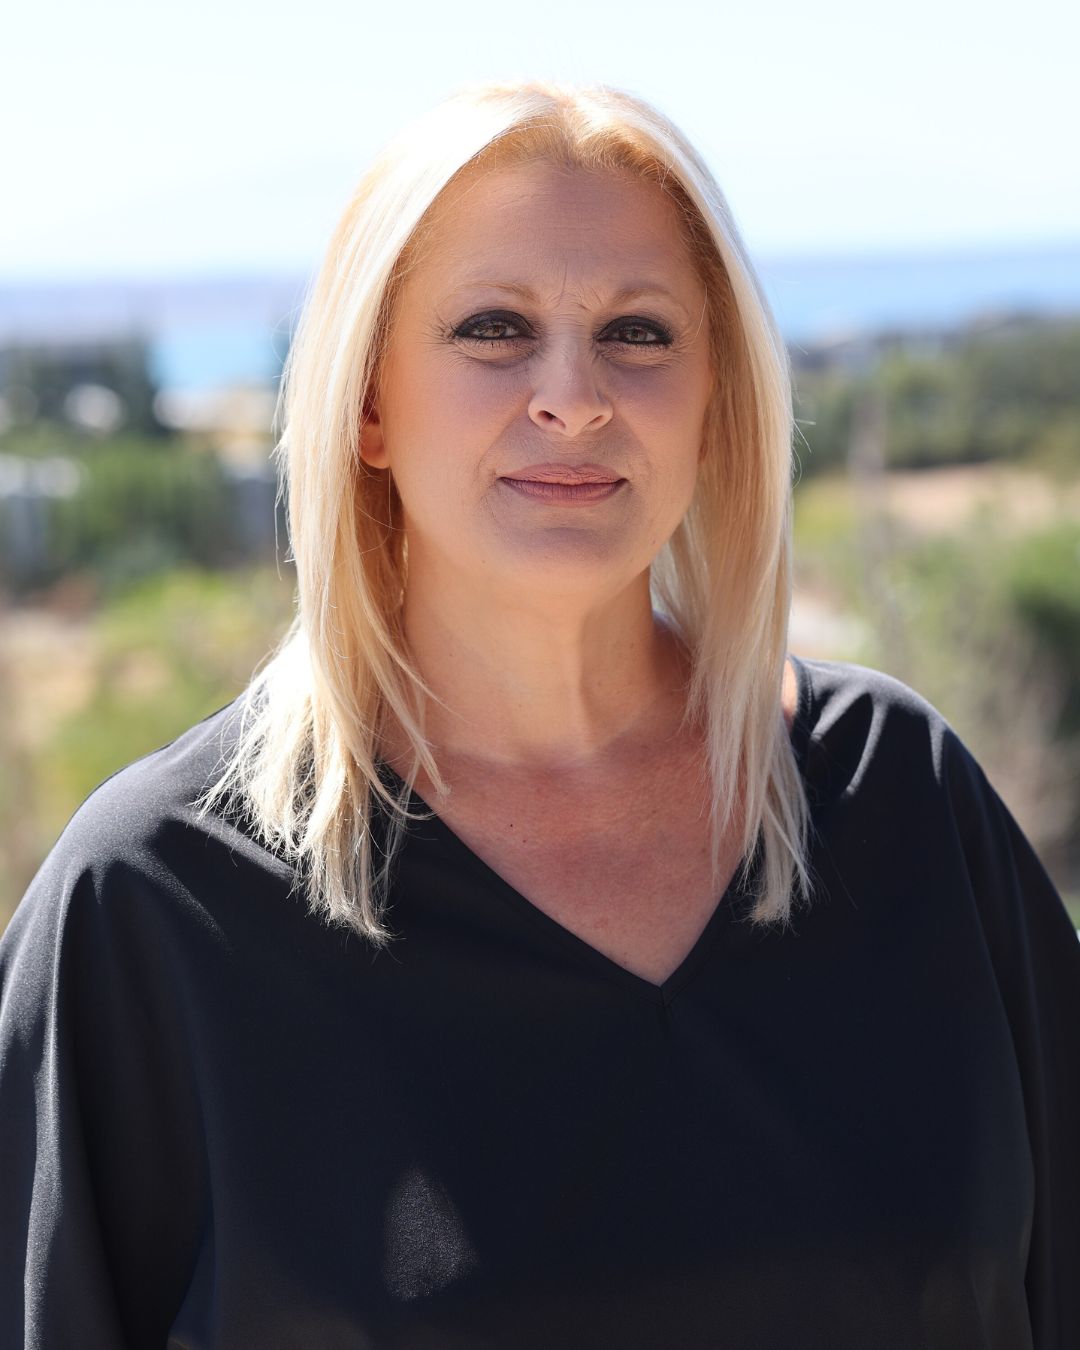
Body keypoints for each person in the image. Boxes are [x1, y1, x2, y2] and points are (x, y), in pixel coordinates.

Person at [1, 80, 1077, 1350]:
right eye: (494, 328)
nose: (574, 395)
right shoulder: (155, 904)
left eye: (639, 332)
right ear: (367, 404)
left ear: (715, 400)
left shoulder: (903, 801)